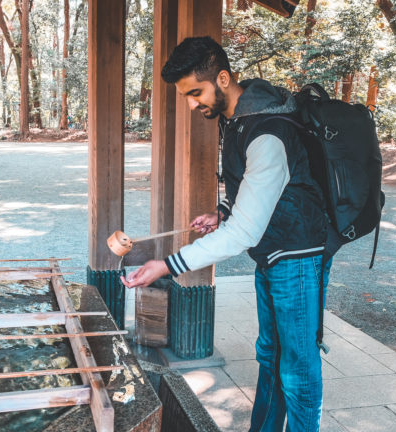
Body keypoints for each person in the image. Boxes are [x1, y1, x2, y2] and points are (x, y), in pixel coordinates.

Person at [120, 36, 331, 431]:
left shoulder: (268, 130)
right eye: (185, 95)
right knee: (270, 356)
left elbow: (244, 234)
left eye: (195, 92)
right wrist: (224, 211)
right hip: (274, 252)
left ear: (222, 77)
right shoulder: (238, 119)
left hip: (298, 256)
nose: (192, 104)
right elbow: (263, 192)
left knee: (299, 368)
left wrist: (166, 265)